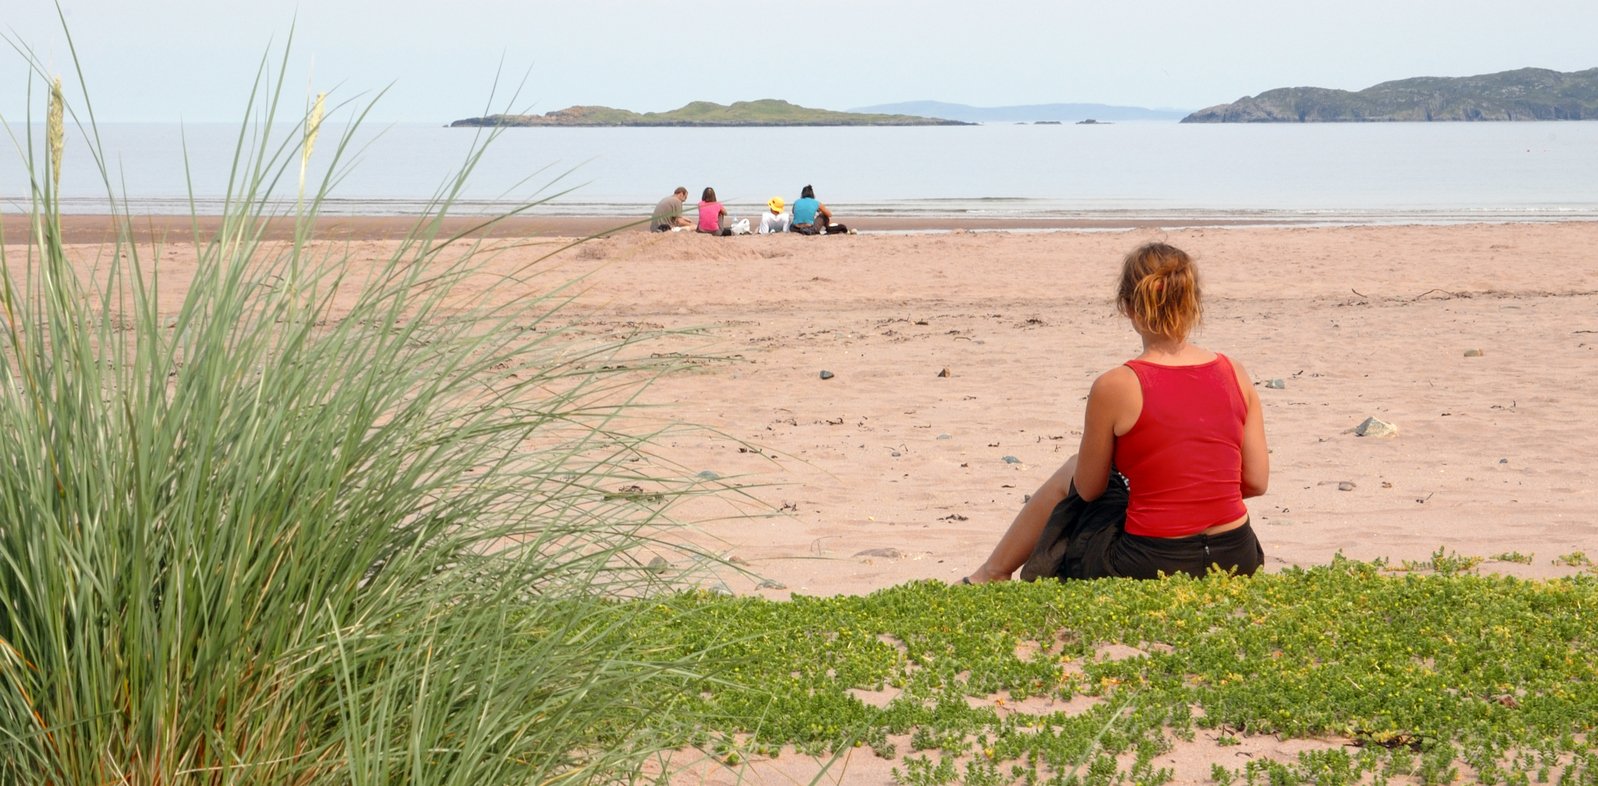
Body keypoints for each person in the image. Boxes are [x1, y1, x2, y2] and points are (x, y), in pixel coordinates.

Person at [964, 242, 1268, 583]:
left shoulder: (1116, 385)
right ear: (1193, 302)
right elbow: (1256, 482)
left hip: (1151, 560)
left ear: (1127, 307)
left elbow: (1089, 489)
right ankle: (992, 572)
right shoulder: (1235, 372)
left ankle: (993, 572)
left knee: (1072, 471)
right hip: (1237, 556)